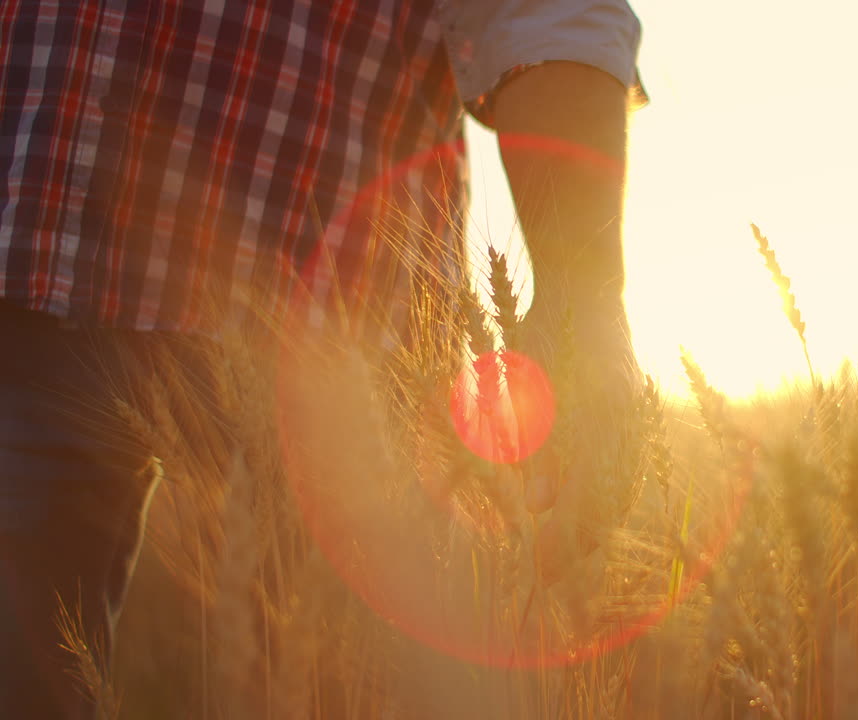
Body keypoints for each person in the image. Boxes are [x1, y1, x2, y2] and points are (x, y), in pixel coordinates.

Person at [0, 1, 644, 716]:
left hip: (335, 345)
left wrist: (587, 299)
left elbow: (543, 11)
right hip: (24, 265)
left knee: (334, 690)